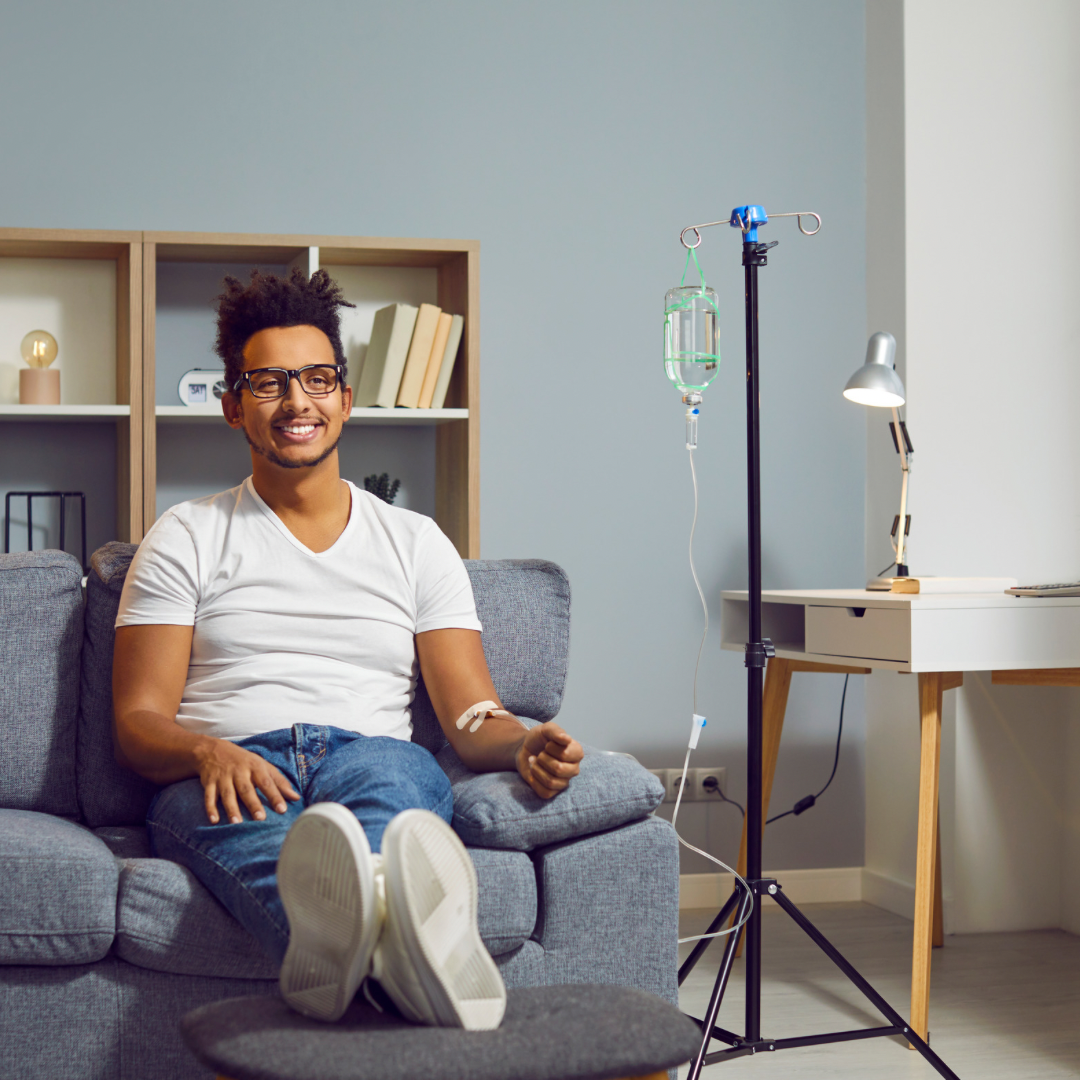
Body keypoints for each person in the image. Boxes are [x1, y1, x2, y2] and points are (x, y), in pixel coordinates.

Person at [111, 268, 584, 1030]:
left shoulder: (415, 541)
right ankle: (407, 967)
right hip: (230, 772)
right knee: (311, 887)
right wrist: (206, 754)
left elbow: (469, 715)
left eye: (317, 379)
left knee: (375, 833)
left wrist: (524, 741)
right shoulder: (186, 537)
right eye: (268, 383)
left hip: (371, 755)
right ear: (233, 406)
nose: (297, 401)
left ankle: (356, 965)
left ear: (345, 399)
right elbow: (136, 722)